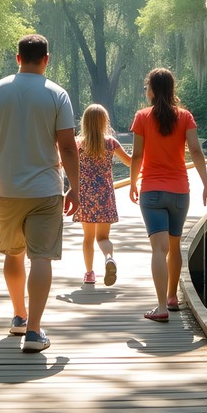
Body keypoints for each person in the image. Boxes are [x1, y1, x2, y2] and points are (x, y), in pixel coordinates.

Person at [0, 34, 79, 353]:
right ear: (47, 59)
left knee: (12, 253)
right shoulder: (57, 95)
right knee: (41, 257)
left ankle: (19, 316)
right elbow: (68, 148)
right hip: (46, 190)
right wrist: (75, 186)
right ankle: (34, 332)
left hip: (5, 189)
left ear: (17, 58)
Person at [130, 68, 207, 323]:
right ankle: (173, 297)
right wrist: (206, 185)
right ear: (172, 89)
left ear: (152, 90)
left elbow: (136, 155)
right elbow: (197, 152)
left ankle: (160, 307)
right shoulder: (185, 117)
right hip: (180, 192)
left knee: (158, 248)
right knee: (174, 247)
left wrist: (133, 182)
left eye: (147, 88)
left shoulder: (142, 117)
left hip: (152, 192)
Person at [73, 104, 132, 287]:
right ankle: (108, 258)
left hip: (85, 194)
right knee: (103, 238)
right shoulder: (111, 143)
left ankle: (89, 274)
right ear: (104, 122)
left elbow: (65, 164)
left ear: (85, 122)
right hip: (105, 194)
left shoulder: (79, 144)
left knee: (88, 237)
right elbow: (130, 162)